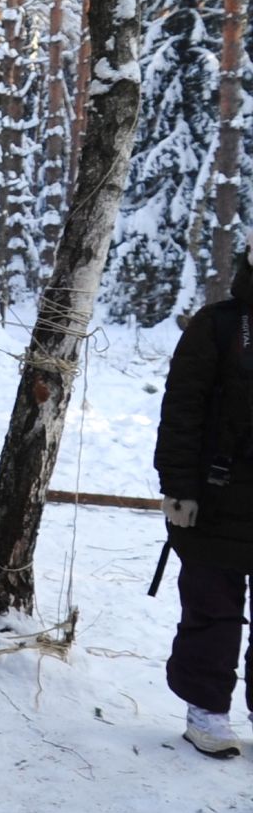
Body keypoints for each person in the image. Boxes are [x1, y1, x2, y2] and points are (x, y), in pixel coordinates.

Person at [155, 247, 253, 760]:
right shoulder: (217, 327)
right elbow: (182, 411)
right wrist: (178, 488)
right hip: (215, 498)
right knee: (212, 611)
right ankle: (206, 714)